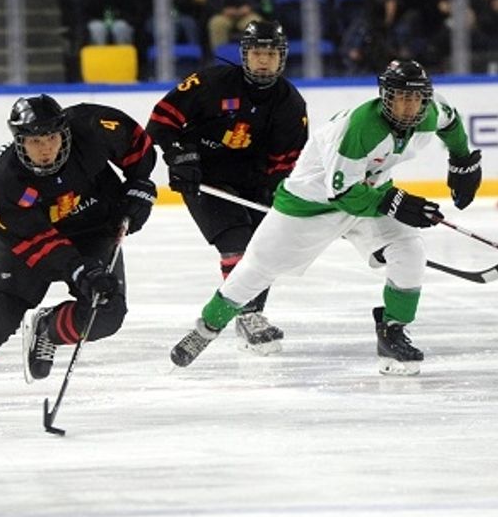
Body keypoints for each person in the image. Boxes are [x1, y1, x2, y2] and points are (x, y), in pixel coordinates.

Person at [168, 60, 481, 376]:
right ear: (385, 96)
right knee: (256, 269)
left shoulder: (429, 114)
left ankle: (392, 334)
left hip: (369, 196)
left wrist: (463, 160)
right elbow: (343, 194)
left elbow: (450, 122)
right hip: (310, 206)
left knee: (410, 251)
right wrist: (395, 202)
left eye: (416, 98)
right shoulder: (362, 129)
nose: (409, 106)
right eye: (401, 97)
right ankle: (206, 328)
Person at [0, 94, 157, 422]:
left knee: (105, 313)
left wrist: (139, 184)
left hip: (94, 228)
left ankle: (48, 329)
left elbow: (137, 142)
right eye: (36, 141)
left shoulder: (93, 127)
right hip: (25, 239)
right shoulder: (7, 181)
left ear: (64, 131)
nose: (47, 148)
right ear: (19, 142)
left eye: (52, 138)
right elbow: (36, 239)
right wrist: (78, 268)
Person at [146, 20, 308, 353]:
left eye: (271, 54)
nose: (263, 61)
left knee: (265, 246)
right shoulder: (210, 82)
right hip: (205, 179)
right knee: (236, 241)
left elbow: (287, 162)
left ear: (282, 58)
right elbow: (161, 121)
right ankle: (248, 315)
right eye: (257, 53)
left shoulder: (290, 103)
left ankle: (250, 313)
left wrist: (283, 200)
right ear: (244, 55)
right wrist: (180, 156)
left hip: (254, 183)